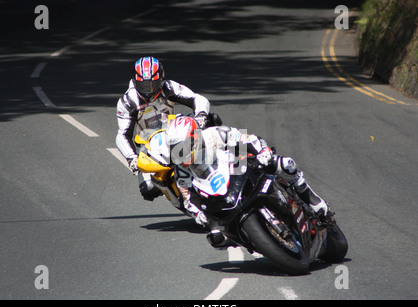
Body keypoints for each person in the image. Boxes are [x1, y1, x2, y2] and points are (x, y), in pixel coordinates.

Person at [164, 116, 329, 248]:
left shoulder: (214, 134)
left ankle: (310, 197)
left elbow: (246, 138)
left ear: (194, 137)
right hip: (223, 196)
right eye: (176, 148)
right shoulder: (181, 171)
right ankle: (247, 239)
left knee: (285, 164)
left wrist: (262, 152)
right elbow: (188, 198)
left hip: (244, 168)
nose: (181, 152)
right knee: (215, 238)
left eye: (184, 146)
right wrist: (197, 213)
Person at [115, 57, 211, 201]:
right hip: (148, 147)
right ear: (135, 81)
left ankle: (230, 154)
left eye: (153, 84)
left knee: (212, 119)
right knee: (148, 189)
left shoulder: (169, 87)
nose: (149, 90)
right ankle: (177, 196)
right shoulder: (128, 101)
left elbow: (197, 98)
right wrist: (132, 159)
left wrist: (201, 116)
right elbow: (122, 135)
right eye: (144, 85)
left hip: (173, 132)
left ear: (161, 78)